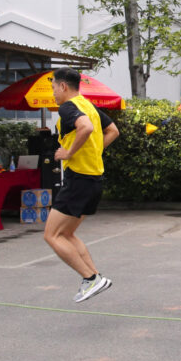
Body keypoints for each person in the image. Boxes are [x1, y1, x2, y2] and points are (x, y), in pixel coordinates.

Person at [43, 68, 120, 303]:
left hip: (78, 180)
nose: (53, 93)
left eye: (53, 88)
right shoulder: (90, 106)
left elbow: (85, 127)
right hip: (93, 180)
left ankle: (90, 278)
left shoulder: (68, 107)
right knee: (67, 233)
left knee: (52, 235)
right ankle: (95, 277)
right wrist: (93, 151)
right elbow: (113, 131)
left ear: (63, 86)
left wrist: (69, 152)